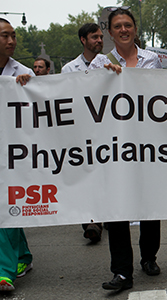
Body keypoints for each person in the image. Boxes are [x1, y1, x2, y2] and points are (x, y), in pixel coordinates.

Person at [88, 7, 162, 291]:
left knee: (150, 203)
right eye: (117, 26)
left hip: (148, 145)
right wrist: (104, 79)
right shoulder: (98, 64)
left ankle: (149, 256)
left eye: (128, 25)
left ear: (134, 29)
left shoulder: (151, 60)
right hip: (114, 147)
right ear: (109, 32)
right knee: (116, 207)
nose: (123, 30)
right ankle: (121, 272)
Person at [61, 23, 105, 243]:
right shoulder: (69, 69)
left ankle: (100, 217)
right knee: (85, 175)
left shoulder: (111, 64)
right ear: (83, 40)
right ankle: (91, 222)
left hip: (106, 131)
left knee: (103, 175)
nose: (99, 40)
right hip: (80, 131)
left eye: (100, 37)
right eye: (94, 37)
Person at [0, 18, 34, 292]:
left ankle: (3, 272)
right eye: (4, 36)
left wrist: (27, 87)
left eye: (13, 35)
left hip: (14, 149)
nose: (11, 41)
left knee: (6, 206)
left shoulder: (21, 71)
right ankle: (22, 256)